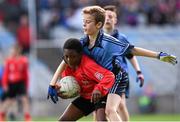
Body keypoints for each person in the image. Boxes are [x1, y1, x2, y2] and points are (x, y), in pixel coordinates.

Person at [47, 6, 177, 121]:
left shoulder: (109, 41)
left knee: (111, 110)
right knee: (100, 116)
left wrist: (158, 55)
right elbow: (65, 60)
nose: (84, 25)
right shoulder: (82, 43)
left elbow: (132, 50)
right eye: (83, 22)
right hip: (100, 80)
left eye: (88, 22)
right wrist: (52, 84)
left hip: (116, 77)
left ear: (98, 25)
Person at [48, 38, 115, 121]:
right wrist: (63, 91)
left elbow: (109, 76)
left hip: (100, 96)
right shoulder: (66, 70)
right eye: (66, 57)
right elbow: (75, 87)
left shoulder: (88, 65)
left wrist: (98, 89)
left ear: (80, 55)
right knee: (63, 120)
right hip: (86, 98)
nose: (69, 60)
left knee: (101, 120)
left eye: (73, 57)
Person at [98, 5, 144, 121]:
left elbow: (131, 55)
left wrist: (138, 72)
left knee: (119, 105)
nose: (107, 19)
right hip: (102, 77)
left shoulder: (121, 38)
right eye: (105, 16)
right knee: (99, 110)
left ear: (115, 20)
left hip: (119, 75)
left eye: (110, 16)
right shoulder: (96, 37)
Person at [0, 43, 31, 121]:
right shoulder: (9, 61)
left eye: (13, 50)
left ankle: (27, 118)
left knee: (25, 99)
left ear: (18, 51)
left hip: (20, 82)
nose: (11, 52)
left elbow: (25, 74)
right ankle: (2, 115)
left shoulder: (23, 60)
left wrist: (26, 85)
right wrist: (5, 84)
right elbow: (5, 74)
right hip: (12, 83)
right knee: (9, 100)